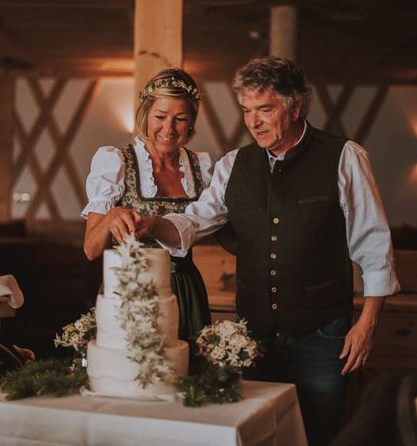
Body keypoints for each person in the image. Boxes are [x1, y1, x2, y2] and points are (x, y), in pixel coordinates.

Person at [135, 57, 400, 446]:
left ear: (295, 107)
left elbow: (374, 244)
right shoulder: (232, 166)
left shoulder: (344, 157)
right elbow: (195, 221)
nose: (253, 122)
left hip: (322, 332)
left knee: (317, 432)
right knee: (258, 434)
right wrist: (151, 224)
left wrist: (367, 324)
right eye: (246, 111)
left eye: (265, 109)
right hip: (253, 333)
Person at [81, 68, 212, 343]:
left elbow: (222, 231)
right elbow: (91, 249)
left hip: (185, 290)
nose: (168, 128)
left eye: (180, 119)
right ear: (146, 115)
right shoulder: (116, 161)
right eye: (160, 117)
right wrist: (112, 216)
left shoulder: (201, 167)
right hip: (131, 288)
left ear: (191, 123)